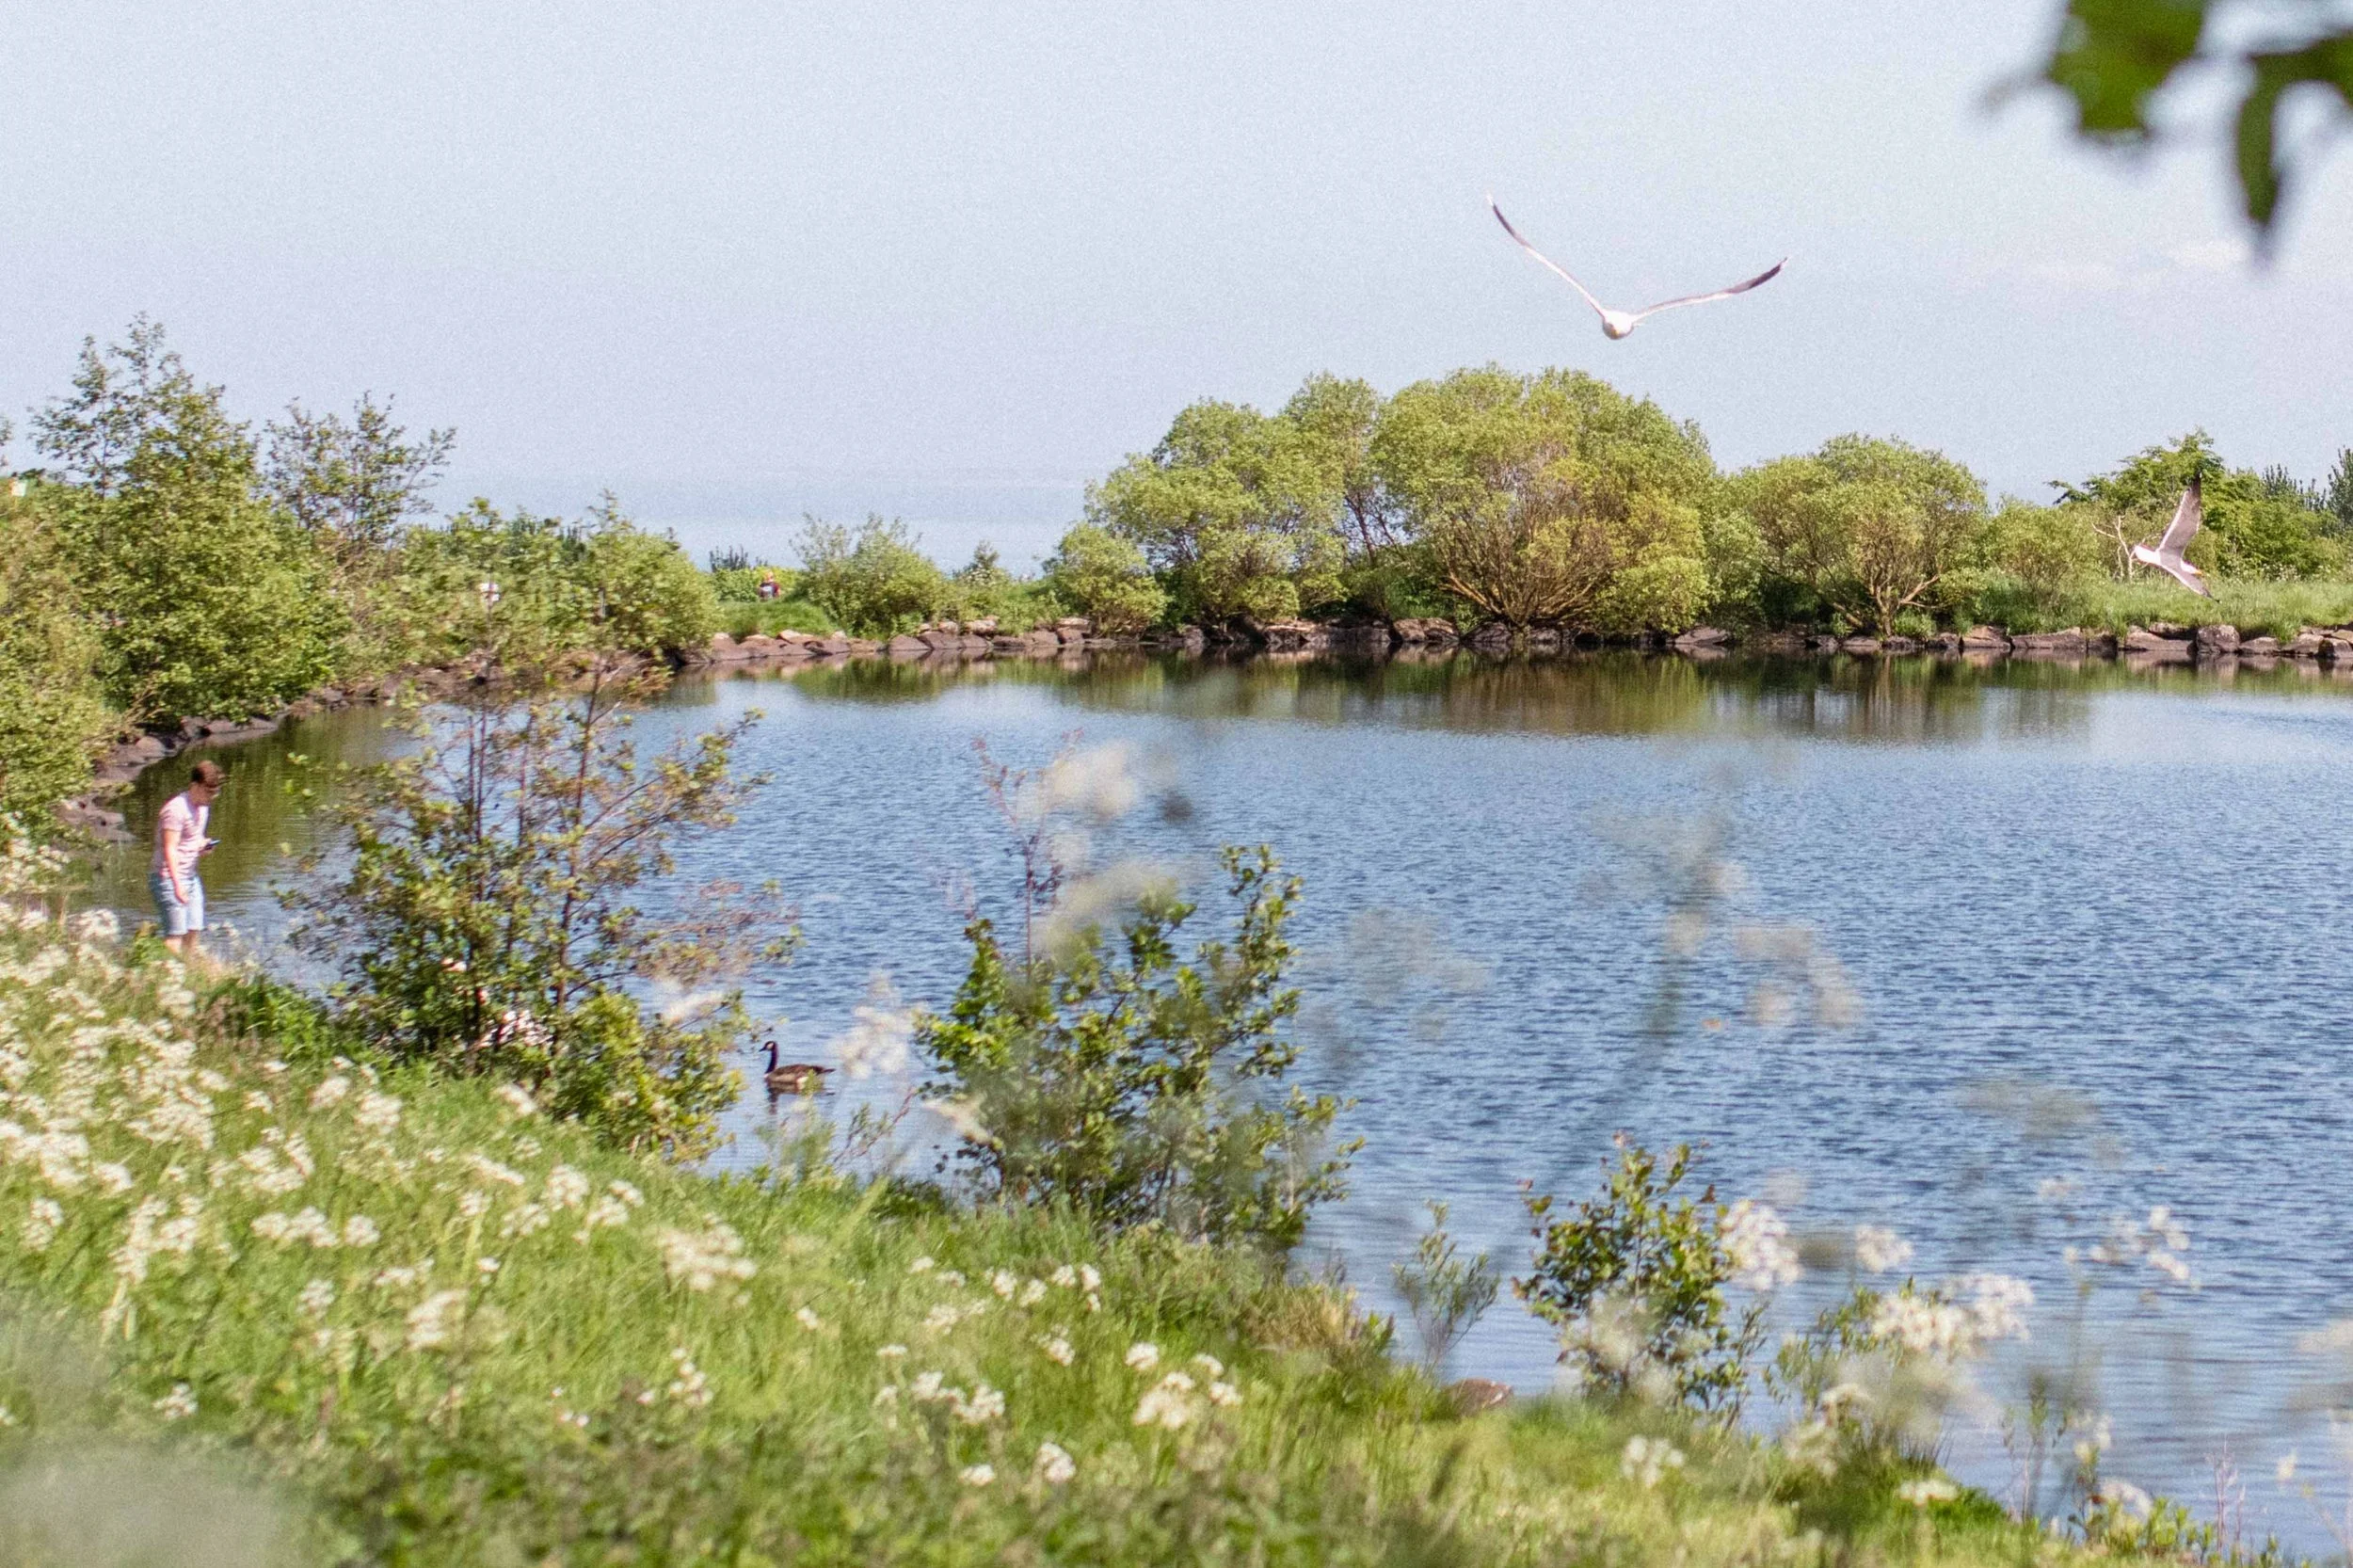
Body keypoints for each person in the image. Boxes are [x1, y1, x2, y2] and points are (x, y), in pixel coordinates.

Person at [152, 759, 224, 960]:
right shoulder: (175, 810)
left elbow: (193, 839)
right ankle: (164, 976)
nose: (212, 797)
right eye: (208, 792)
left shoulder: (202, 809)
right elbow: (170, 848)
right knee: (175, 935)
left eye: (215, 792)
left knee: (193, 930)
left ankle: (188, 975)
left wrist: (203, 845)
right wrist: (177, 885)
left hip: (191, 877)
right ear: (194, 785)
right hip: (167, 877)